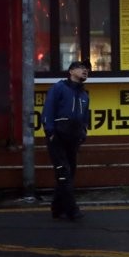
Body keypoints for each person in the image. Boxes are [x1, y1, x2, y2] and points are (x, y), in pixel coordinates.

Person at [42, 60, 91, 220]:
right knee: (64, 173)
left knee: (69, 174)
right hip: (58, 137)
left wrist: (83, 133)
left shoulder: (84, 95)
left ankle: (57, 208)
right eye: (81, 68)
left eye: (87, 69)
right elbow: (48, 109)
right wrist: (50, 132)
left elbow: (84, 117)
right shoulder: (59, 88)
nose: (85, 71)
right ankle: (72, 210)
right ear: (71, 71)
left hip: (74, 138)